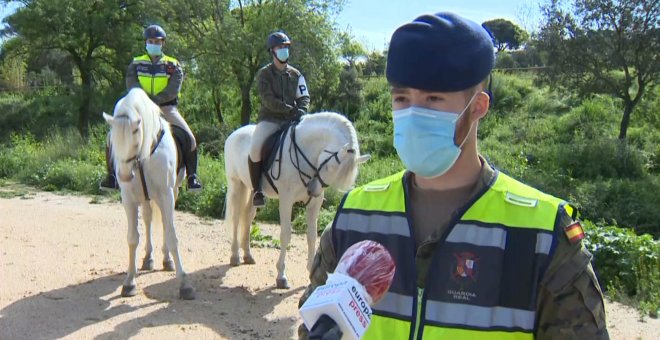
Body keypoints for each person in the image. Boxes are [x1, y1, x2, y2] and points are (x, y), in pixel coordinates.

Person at [298, 12, 609, 339]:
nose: (413, 114)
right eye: (401, 98)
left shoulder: (541, 235)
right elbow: (314, 324)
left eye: (433, 99)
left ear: (478, 107)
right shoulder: (355, 217)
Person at [100, 24, 202, 192]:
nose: (154, 43)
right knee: (111, 137)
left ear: (163, 43)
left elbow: (173, 89)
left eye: (157, 41)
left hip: (166, 109)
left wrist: (154, 101)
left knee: (190, 138)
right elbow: (132, 85)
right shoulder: (136, 63)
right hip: (140, 109)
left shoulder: (173, 65)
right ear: (146, 43)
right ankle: (112, 176)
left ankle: (192, 177)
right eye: (150, 41)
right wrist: (145, 103)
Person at [248, 31, 310, 207]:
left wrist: (302, 110)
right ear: (272, 51)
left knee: (310, 144)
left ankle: (311, 188)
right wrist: (289, 109)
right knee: (255, 148)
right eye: (280, 47)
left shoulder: (296, 74)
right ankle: (257, 190)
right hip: (270, 119)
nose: (284, 50)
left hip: (293, 119)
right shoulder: (264, 74)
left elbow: (304, 96)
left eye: (286, 47)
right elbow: (267, 99)